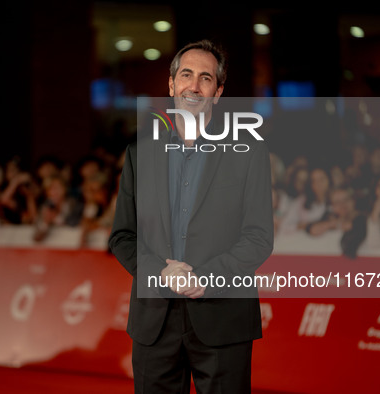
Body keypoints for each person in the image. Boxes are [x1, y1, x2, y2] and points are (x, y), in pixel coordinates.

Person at [109, 40, 273, 393]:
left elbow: (259, 237)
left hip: (222, 317)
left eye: (206, 78)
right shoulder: (140, 154)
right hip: (155, 321)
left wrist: (207, 277)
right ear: (171, 85)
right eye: (186, 75)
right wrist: (161, 272)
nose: (194, 86)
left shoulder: (248, 153)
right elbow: (122, 236)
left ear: (218, 92)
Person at [306, 187, 367, 258]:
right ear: (332, 206)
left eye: (346, 200)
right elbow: (313, 230)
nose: (343, 205)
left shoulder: (362, 217)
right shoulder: (329, 217)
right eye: (337, 202)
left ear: (353, 201)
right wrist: (334, 224)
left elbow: (350, 227)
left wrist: (342, 225)